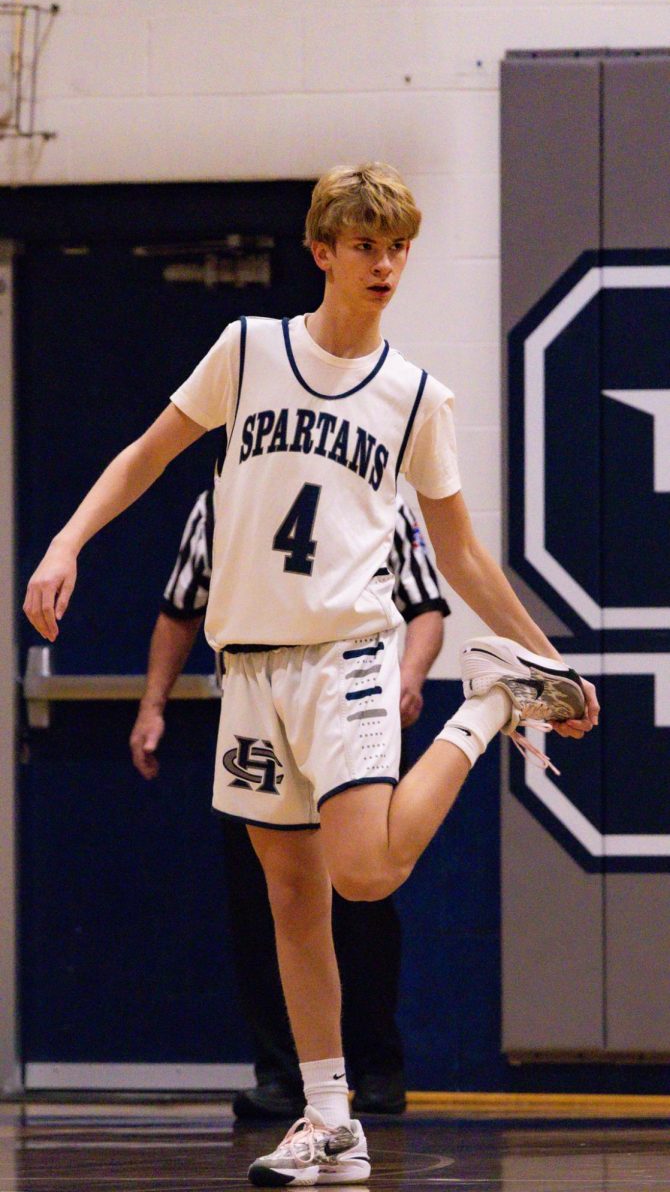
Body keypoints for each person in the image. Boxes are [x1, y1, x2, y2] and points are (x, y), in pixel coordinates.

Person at [25, 162, 599, 1187]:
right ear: (322, 251)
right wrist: (67, 542)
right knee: (293, 899)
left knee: (364, 872)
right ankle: (329, 1118)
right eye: (365, 245)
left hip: (349, 654)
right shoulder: (245, 352)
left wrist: (544, 655)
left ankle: (484, 705)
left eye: (398, 247)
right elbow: (146, 455)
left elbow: (462, 554)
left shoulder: (416, 395)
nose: (385, 264)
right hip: (248, 666)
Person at [129, 487, 448, 1118]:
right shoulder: (219, 500)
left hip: (349, 705)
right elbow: (178, 610)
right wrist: (153, 702)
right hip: (256, 710)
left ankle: (376, 1066)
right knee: (266, 902)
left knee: (363, 892)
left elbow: (429, 607)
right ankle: (288, 1079)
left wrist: (409, 677)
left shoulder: (379, 486)